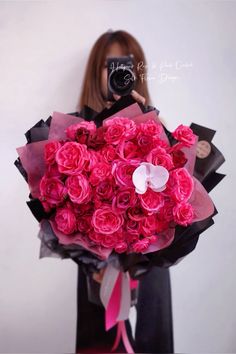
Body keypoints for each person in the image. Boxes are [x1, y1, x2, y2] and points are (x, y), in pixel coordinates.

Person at [75, 29, 174, 353]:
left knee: (152, 339)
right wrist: (93, 264)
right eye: (110, 66)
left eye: (125, 66)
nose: (118, 73)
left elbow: (172, 196)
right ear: (95, 73)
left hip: (149, 265)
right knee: (100, 344)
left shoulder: (154, 125)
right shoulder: (75, 134)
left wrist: (145, 122)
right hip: (97, 269)